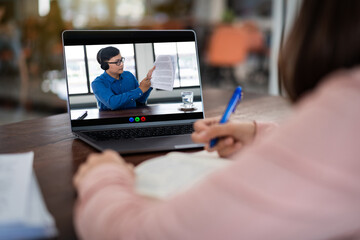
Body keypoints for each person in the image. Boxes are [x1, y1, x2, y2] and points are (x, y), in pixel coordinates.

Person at [73, 1, 360, 239]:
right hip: (106, 127)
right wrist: (261, 135)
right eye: (117, 62)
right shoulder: (99, 82)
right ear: (104, 66)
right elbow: (110, 104)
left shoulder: (131, 77)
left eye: (123, 60)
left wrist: (143, 91)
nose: (122, 64)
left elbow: (138, 103)